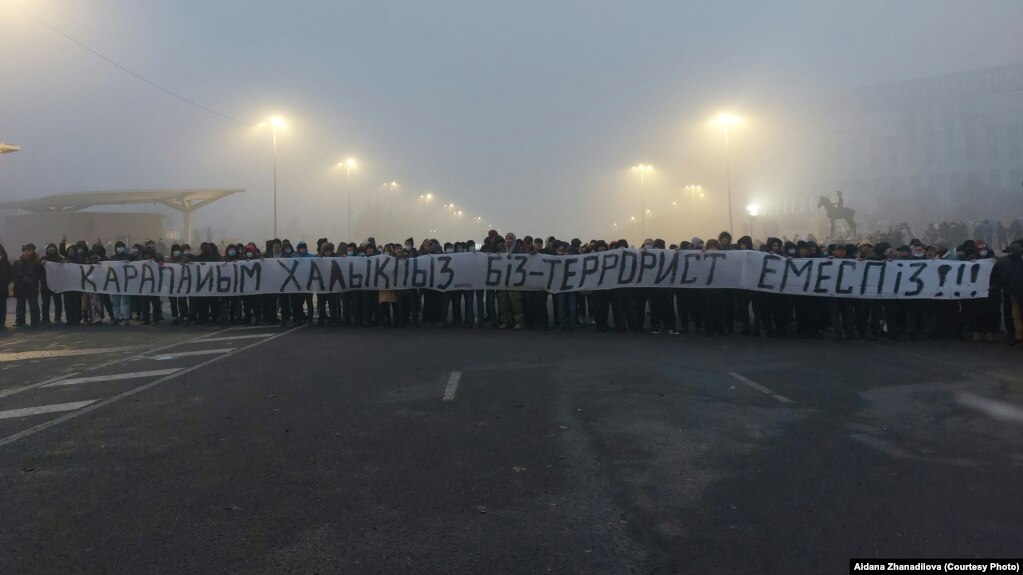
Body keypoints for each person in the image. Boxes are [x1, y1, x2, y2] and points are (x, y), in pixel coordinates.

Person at [13, 243, 43, 327]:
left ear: (32, 252)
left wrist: (31, 280)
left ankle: (35, 321)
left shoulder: (36, 263)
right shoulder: (17, 263)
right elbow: (13, 274)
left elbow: (38, 274)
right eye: (24, 251)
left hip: (32, 287)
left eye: (28, 251)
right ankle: (20, 321)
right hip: (20, 287)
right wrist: (17, 281)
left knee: (33, 305)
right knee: (20, 305)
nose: (26, 253)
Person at [39, 243, 64, 325]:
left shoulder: (60, 259)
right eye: (50, 250)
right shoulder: (43, 259)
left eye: (53, 250)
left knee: (58, 302)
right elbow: (37, 269)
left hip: (56, 285)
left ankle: (57, 318)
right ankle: (45, 318)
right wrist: (41, 263)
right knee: (45, 303)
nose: (52, 251)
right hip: (45, 285)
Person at [0, 244, 13, 328]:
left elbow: (10, 274)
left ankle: (1, 323)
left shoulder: (5, 262)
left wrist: (5, 283)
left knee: (2, 306)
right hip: (3, 287)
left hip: (2, 288)